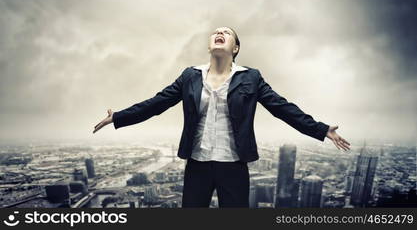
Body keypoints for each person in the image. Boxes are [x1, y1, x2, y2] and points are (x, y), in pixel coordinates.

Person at [93, 26, 350, 208]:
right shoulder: (190, 76)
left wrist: (321, 129)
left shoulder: (251, 77)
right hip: (198, 164)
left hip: (234, 165)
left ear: (235, 47)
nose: (219, 33)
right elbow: (155, 104)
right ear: (209, 45)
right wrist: (118, 117)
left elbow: (282, 108)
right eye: (216, 32)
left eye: (227, 33)